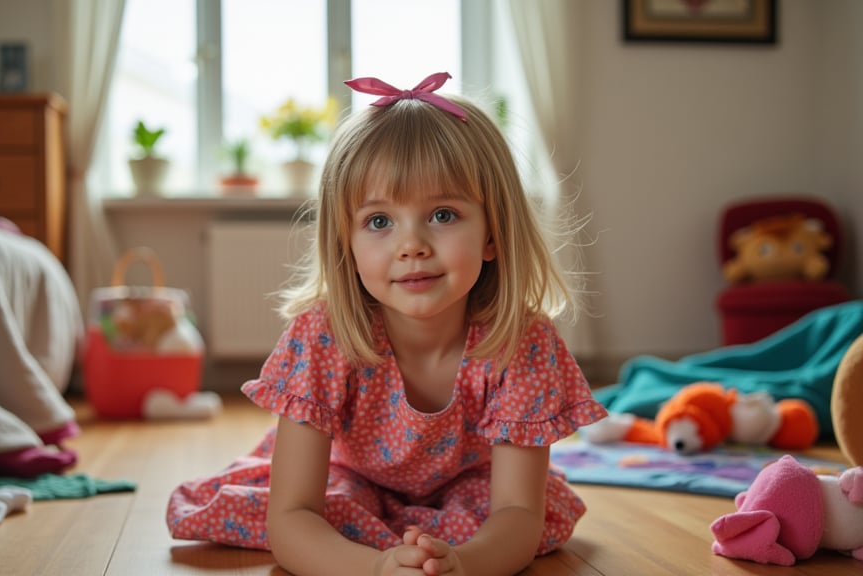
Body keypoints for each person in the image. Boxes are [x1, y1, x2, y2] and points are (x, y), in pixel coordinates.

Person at [167, 71, 607, 576]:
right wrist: (376, 569)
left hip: (473, 490)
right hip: (348, 481)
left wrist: (464, 564)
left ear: (493, 234)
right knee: (323, 514)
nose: (411, 244)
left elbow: (518, 512)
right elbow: (291, 517)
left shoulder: (522, 342)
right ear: (346, 246)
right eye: (379, 221)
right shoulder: (323, 336)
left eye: (443, 215)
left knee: (517, 527)